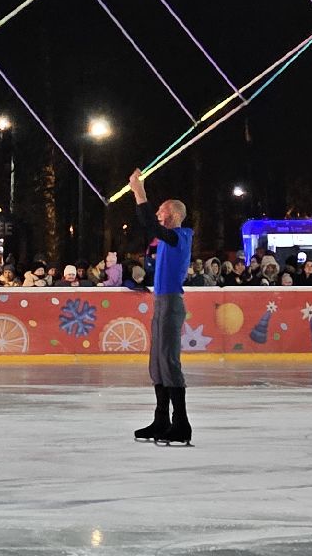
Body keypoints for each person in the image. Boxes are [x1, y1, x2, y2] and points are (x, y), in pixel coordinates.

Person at [128, 168, 192, 447]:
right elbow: (150, 226)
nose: (157, 214)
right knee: (157, 363)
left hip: (171, 303)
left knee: (168, 361)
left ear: (174, 215)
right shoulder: (166, 239)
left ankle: (181, 424)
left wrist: (138, 190)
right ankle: (161, 420)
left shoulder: (180, 236)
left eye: (162, 210)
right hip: (161, 303)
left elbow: (150, 225)